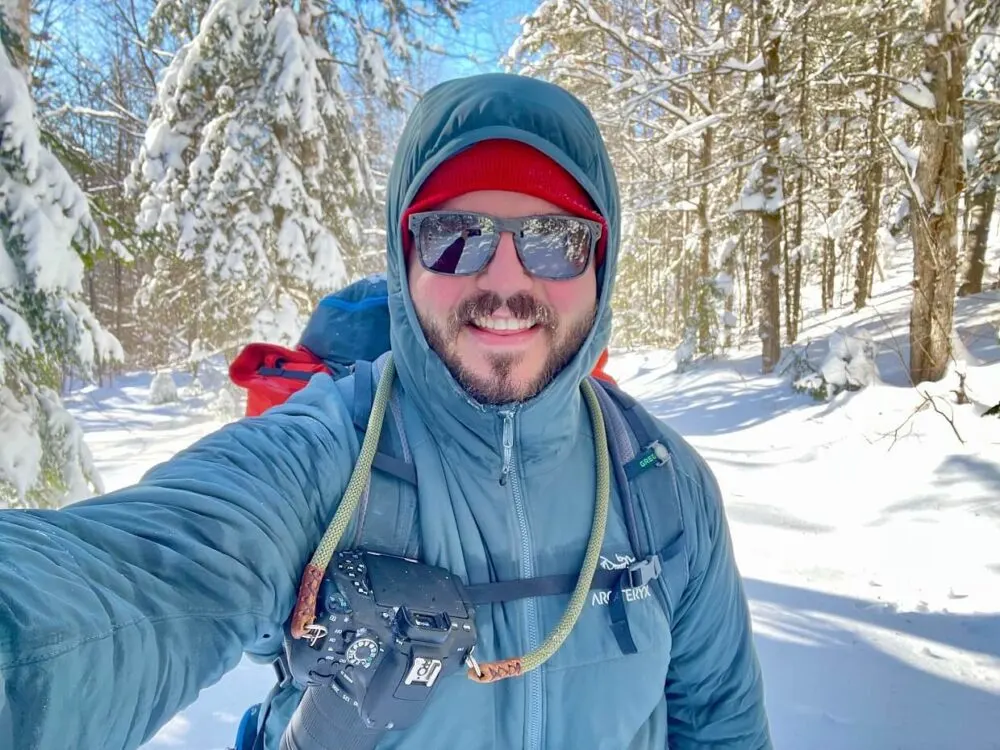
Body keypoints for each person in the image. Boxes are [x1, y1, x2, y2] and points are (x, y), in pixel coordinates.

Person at [0, 73, 771, 750]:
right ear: (405, 262)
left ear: (600, 263)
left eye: (554, 238)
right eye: (454, 235)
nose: (504, 280)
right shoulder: (327, 457)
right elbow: (142, 576)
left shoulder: (660, 483)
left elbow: (724, 727)